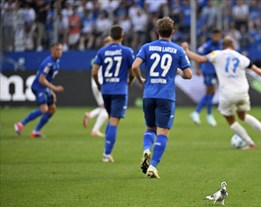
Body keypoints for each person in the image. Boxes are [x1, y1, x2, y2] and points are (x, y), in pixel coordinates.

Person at [182, 37, 261, 150]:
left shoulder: (217, 54)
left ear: (223, 46)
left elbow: (199, 59)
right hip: (243, 92)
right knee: (243, 116)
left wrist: (187, 51)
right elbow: (257, 70)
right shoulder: (241, 57)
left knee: (230, 119)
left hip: (228, 93)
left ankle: (250, 143)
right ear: (233, 46)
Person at [132, 16, 192, 178]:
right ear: (173, 32)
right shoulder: (178, 50)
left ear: (157, 31)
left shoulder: (147, 47)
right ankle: (152, 166)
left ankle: (146, 149)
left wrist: (141, 80)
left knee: (150, 128)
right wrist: (178, 71)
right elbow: (189, 75)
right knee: (163, 132)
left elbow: (135, 66)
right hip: (166, 96)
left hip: (149, 94)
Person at [92, 25, 135, 163]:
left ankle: (106, 149)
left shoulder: (102, 51)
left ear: (111, 36)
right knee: (114, 122)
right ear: (122, 36)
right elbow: (133, 70)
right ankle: (107, 153)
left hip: (106, 90)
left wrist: (99, 84)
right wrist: (130, 81)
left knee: (111, 120)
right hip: (120, 90)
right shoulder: (127, 51)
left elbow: (94, 72)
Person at [14, 43, 64, 137]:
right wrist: (55, 88)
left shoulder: (57, 62)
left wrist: (51, 91)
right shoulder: (48, 63)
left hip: (45, 87)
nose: (59, 52)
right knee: (44, 109)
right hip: (38, 87)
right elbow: (41, 79)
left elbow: (49, 78)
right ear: (52, 51)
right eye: (57, 50)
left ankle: (36, 131)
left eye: (61, 50)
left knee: (52, 108)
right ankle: (20, 124)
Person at [190, 29, 222, 127]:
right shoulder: (208, 45)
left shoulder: (221, 45)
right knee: (210, 91)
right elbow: (198, 55)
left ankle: (198, 113)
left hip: (216, 71)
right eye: (215, 35)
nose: (217, 37)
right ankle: (206, 114)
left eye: (218, 36)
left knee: (211, 93)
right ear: (212, 36)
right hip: (208, 70)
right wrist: (197, 68)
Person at [83, 36, 112, 137]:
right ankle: (95, 130)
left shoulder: (99, 53)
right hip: (101, 84)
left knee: (103, 106)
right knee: (106, 108)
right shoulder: (108, 54)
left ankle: (90, 115)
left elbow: (92, 65)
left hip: (94, 84)